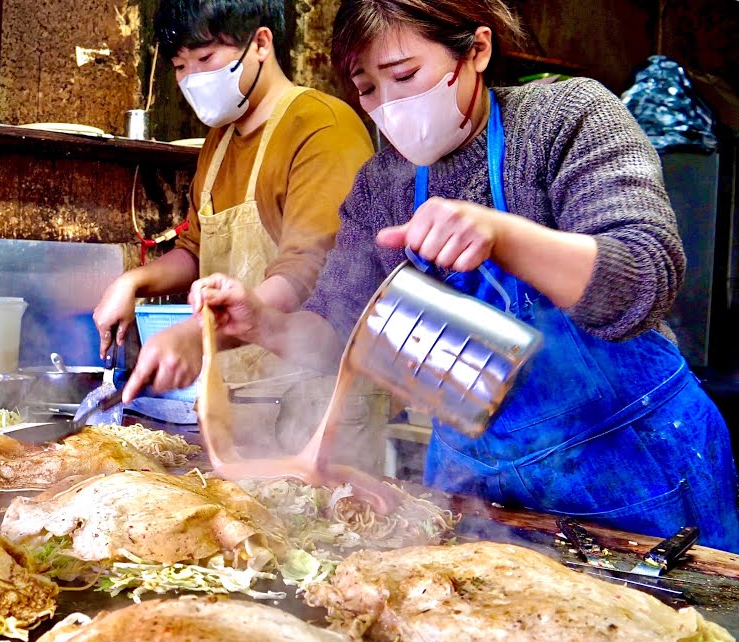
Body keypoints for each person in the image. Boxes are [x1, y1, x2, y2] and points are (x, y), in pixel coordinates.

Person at [191, 0, 739, 551]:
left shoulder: (564, 119)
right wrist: (265, 324)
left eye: (405, 76)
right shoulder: (383, 186)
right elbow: (337, 330)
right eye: (367, 88)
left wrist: (503, 236)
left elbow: (644, 278)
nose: (388, 105)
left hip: (635, 464)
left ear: (476, 50)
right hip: (481, 489)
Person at [92, 0, 374, 400]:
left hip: (315, 399)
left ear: (260, 44)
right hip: (239, 397)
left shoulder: (323, 128)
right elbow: (196, 251)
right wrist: (133, 282)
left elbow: (306, 271)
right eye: (180, 66)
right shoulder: (219, 142)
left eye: (205, 58)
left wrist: (197, 334)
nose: (192, 78)